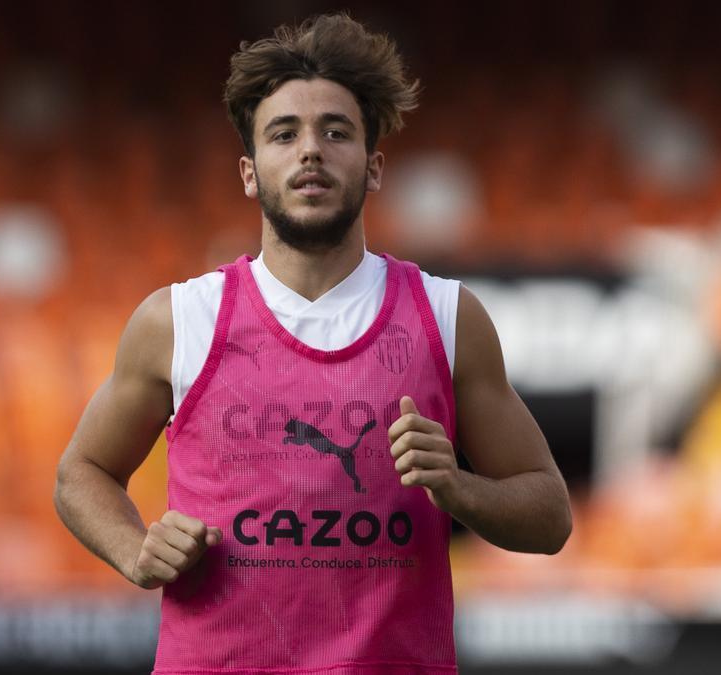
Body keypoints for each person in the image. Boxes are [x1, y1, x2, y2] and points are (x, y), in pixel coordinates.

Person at [54, 13, 572, 673]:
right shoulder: (178, 320)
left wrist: (459, 487)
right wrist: (135, 550)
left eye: (336, 131)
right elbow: (81, 473)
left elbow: (551, 512)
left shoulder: (447, 316)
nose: (310, 150)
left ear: (373, 165)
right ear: (249, 171)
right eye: (283, 133)